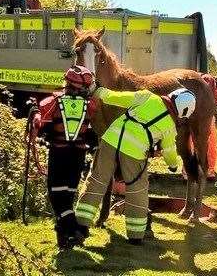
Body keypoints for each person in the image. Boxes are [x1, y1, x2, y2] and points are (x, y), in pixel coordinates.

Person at [75, 87, 196, 245]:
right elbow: (169, 152)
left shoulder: (146, 97)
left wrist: (97, 90)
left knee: (97, 180)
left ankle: (79, 226)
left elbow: (114, 96)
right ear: (184, 112)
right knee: (137, 189)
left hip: (110, 139)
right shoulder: (169, 127)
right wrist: (173, 166)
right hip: (134, 153)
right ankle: (135, 234)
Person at [30, 65, 97, 249]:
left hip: (59, 154)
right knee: (67, 195)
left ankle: (75, 229)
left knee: (55, 195)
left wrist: (35, 114)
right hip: (78, 156)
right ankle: (66, 238)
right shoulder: (90, 105)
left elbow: (39, 118)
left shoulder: (53, 101)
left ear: (67, 82)